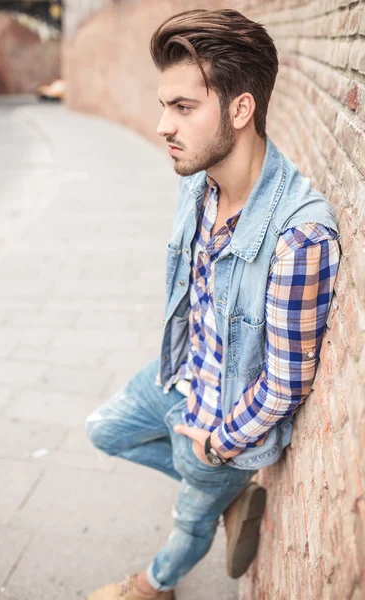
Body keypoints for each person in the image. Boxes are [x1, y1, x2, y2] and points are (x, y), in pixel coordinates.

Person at [85, 8, 340, 600]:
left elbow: (286, 380)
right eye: (164, 105)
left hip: (223, 420)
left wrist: (219, 444)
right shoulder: (196, 180)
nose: (162, 126)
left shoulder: (298, 238)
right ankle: (230, 498)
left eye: (182, 107)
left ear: (240, 109)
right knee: (104, 431)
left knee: (186, 520)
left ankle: (153, 586)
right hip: (179, 377)